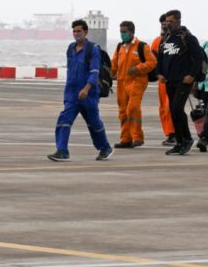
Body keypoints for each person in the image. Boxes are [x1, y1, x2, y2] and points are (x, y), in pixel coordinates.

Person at [50, 19, 113, 162]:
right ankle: (62, 151)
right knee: (64, 120)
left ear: (85, 32)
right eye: (74, 31)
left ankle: (105, 148)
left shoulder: (93, 49)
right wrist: (68, 92)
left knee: (94, 123)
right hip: (72, 94)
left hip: (88, 94)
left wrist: (86, 89)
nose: (76, 33)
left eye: (79, 31)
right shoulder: (70, 48)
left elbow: (94, 72)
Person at [157, 10, 203, 156]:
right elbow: (160, 58)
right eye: (166, 22)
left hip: (184, 81)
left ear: (178, 21)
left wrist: (192, 75)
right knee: (173, 110)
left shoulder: (188, 38)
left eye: (171, 21)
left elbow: (198, 58)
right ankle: (179, 142)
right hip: (169, 80)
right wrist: (160, 73)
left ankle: (187, 139)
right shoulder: (166, 39)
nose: (168, 24)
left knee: (177, 108)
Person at [111, 20, 157, 148]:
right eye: (121, 32)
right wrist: (106, 75)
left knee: (132, 108)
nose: (122, 34)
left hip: (137, 81)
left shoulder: (142, 46)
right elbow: (114, 65)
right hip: (121, 82)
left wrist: (137, 68)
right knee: (123, 111)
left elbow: (152, 62)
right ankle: (126, 139)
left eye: (124, 32)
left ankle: (137, 137)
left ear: (132, 32)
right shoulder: (120, 47)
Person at [151, 14, 176, 146]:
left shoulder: (175, 41)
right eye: (162, 24)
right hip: (161, 80)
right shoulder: (156, 41)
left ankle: (174, 133)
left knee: (169, 107)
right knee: (162, 108)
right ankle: (168, 133)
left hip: (172, 79)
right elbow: (151, 61)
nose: (164, 26)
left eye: (167, 23)